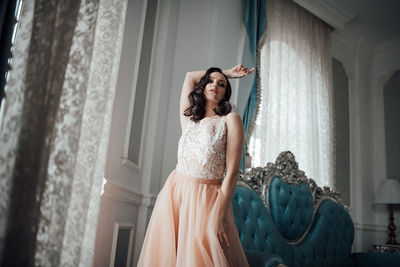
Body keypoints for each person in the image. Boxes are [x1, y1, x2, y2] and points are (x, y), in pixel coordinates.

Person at [137, 64, 255, 266]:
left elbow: (233, 173)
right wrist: (227, 73)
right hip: (175, 194)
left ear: (226, 93)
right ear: (202, 87)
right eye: (210, 81)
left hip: (206, 200)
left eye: (221, 84)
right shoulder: (189, 119)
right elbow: (189, 76)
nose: (214, 85)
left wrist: (217, 217)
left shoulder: (230, 120)